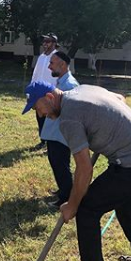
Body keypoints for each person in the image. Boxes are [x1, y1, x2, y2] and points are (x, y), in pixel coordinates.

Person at [22, 82, 131, 261]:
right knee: (127, 210)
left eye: (38, 107)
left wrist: (72, 205)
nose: (40, 114)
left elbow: (84, 169)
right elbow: (119, 98)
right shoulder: (83, 90)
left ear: (50, 97)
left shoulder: (68, 119)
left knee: (87, 209)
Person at [40, 51, 79, 208]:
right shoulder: (62, 81)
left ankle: (65, 199)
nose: (49, 67)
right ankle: (63, 189)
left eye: (52, 63)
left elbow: (72, 112)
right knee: (56, 162)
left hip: (60, 135)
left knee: (60, 164)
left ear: (62, 64)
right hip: (54, 133)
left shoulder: (70, 85)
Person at [31, 33, 58, 148]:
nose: (45, 44)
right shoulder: (41, 57)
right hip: (39, 93)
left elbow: (61, 76)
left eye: (48, 41)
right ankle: (43, 140)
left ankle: (52, 142)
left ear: (54, 43)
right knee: (40, 116)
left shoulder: (58, 57)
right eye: (44, 42)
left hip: (52, 93)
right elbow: (35, 75)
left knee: (51, 118)